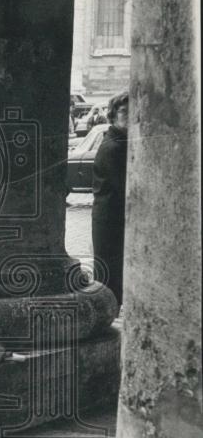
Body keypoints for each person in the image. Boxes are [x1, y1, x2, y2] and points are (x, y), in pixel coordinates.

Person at [92, 90, 129, 311]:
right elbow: (124, 187)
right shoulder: (115, 146)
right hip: (111, 222)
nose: (130, 116)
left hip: (111, 220)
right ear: (113, 115)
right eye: (124, 111)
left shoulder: (119, 140)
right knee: (111, 279)